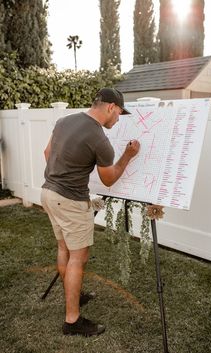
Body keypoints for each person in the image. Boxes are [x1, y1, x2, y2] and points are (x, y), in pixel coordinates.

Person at [41, 88, 140, 337]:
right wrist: (127, 156)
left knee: (64, 249)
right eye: (119, 113)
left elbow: (46, 153)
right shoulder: (99, 139)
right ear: (110, 107)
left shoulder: (65, 121)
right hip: (71, 201)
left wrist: (62, 175)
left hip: (48, 194)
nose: (118, 119)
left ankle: (73, 295)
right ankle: (72, 321)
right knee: (78, 257)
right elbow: (109, 180)